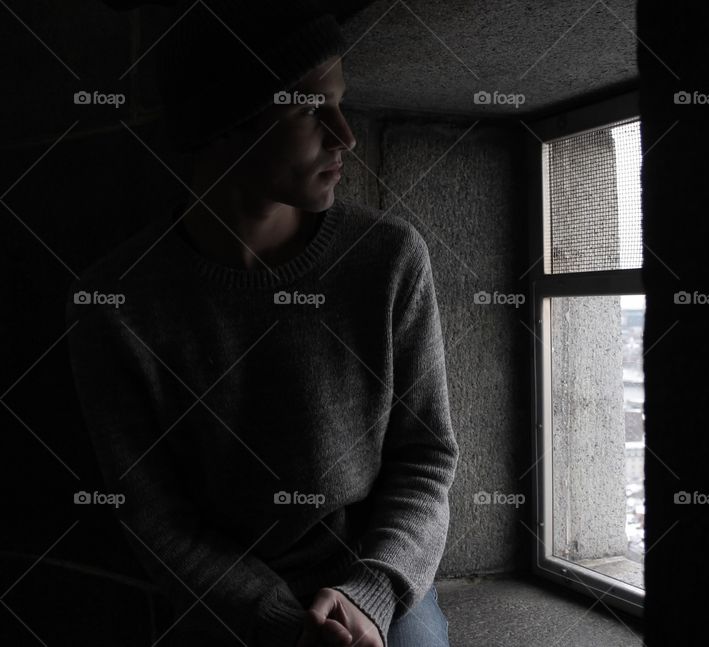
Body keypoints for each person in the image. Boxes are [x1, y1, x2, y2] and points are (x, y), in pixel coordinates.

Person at [65, 2, 458, 645]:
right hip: (221, 601)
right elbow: (151, 514)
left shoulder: (387, 258)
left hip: (370, 581)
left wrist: (374, 591)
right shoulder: (115, 302)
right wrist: (274, 621)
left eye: (341, 102)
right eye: (309, 109)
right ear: (227, 123)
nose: (345, 134)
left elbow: (426, 458)